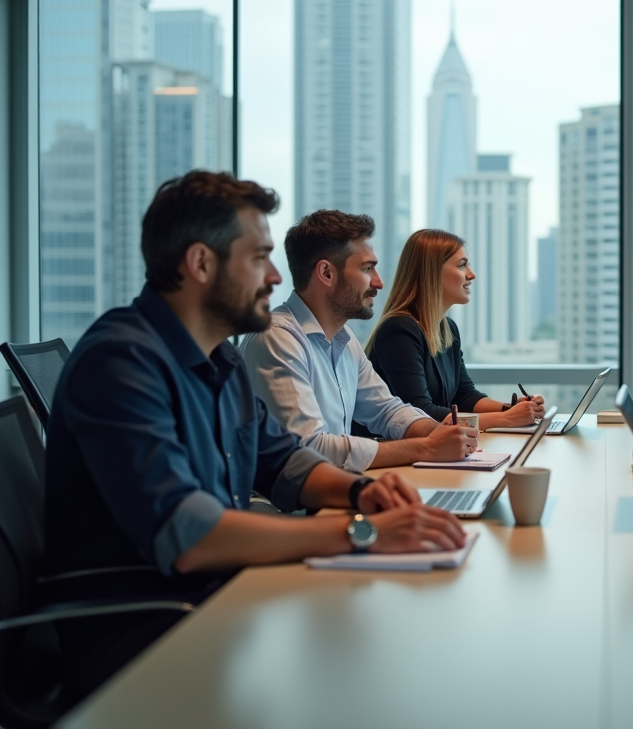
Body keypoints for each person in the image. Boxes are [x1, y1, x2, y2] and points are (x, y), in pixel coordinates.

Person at [43, 172, 466, 704]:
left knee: (378, 653)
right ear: (201, 264)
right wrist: (362, 532)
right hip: (144, 636)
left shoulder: (216, 355)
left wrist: (360, 494)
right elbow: (188, 531)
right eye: (258, 257)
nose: (272, 275)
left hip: (213, 600)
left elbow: (284, 459)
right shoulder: (122, 362)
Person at [240, 211, 478, 472]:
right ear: (326, 273)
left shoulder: (344, 338)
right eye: (367, 268)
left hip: (333, 490)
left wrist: (438, 433)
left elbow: (387, 410)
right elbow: (311, 448)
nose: (378, 282)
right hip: (284, 508)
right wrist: (427, 447)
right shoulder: (276, 339)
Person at [365, 229, 545, 431]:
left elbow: (465, 396)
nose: (471, 274)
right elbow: (421, 414)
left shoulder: (447, 329)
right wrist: (506, 419)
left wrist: (511, 409)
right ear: (431, 272)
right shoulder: (398, 330)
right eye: (462, 265)